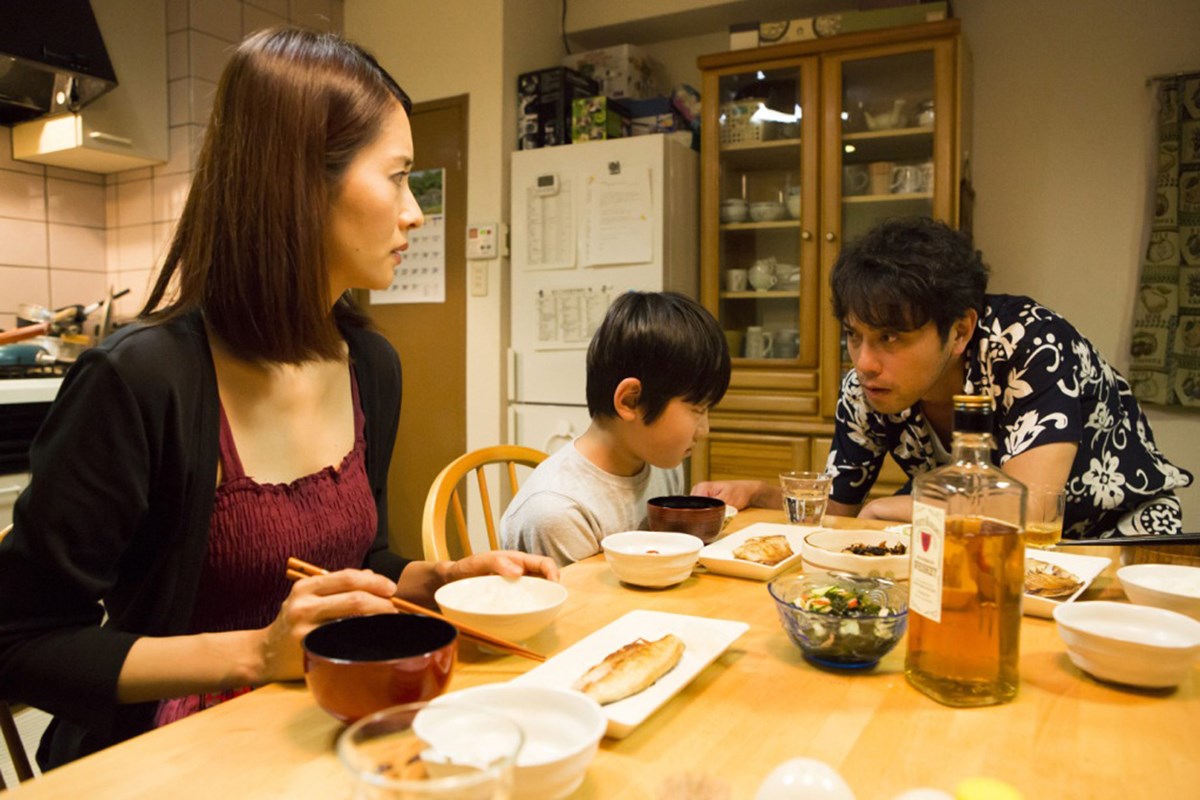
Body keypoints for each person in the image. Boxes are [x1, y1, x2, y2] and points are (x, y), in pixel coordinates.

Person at [0, 26, 556, 770]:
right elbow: (23, 644)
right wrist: (259, 653)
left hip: (333, 731)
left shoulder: (371, 366)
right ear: (301, 181)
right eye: (397, 177)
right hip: (173, 756)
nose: (414, 213)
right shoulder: (141, 380)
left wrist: (426, 581)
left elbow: (359, 559)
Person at [693, 217, 1192, 538]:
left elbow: (1031, 510)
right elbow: (839, 511)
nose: (864, 361)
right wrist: (758, 493)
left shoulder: (1031, 343)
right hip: (979, 548)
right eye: (853, 336)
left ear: (959, 331)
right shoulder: (865, 389)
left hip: (1114, 538)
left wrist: (895, 508)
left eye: (890, 337)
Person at [501, 291, 731, 565]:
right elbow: (580, 595)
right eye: (697, 409)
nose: (704, 429)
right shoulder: (558, 512)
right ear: (630, 401)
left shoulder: (661, 466)